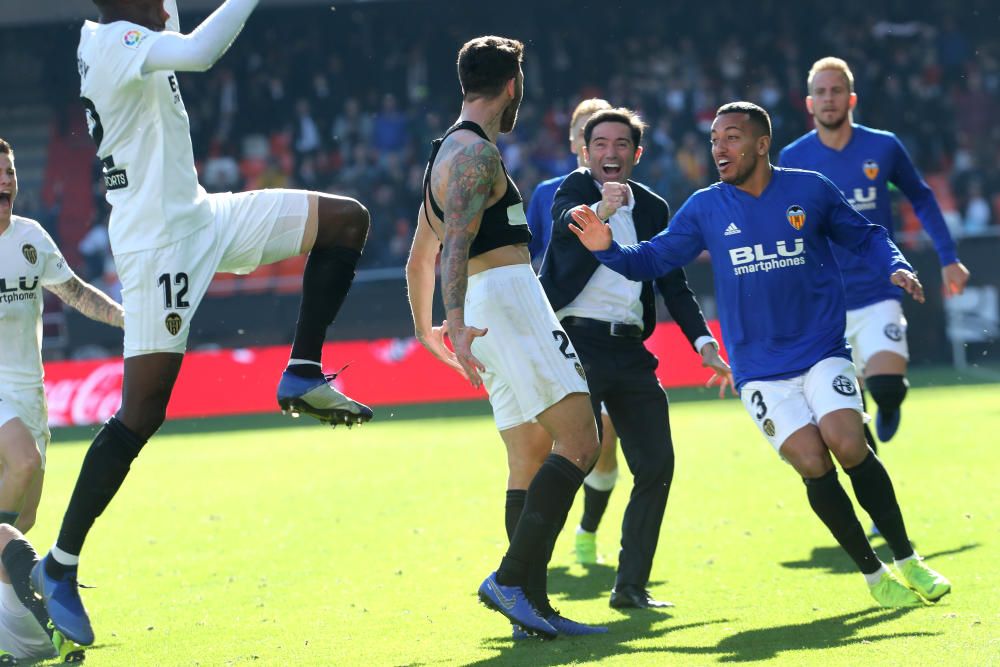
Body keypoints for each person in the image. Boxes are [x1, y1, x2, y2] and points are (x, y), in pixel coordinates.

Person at [33, 0, 373, 646]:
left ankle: (301, 370)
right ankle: (60, 562)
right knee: (142, 413)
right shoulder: (115, 41)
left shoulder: (118, 31)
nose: (169, 5)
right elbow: (200, 50)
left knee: (347, 220)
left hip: (200, 216)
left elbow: (177, 35)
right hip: (157, 242)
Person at [569, 102, 952, 608]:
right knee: (813, 462)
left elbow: (868, 236)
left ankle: (909, 561)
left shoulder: (809, 190)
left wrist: (896, 266)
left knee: (847, 441)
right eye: (714, 140)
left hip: (820, 350)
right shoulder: (706, 207)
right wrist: (606, 249)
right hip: (759, 371)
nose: (719, 149)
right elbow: (654, 259)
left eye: (731, 138)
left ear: (761, 143)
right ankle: (875, 575)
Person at [406, 36, 603, 638]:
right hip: (508, 306)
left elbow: (421, 255)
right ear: (513, 84)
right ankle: (513, 580)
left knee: (529, 456)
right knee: (581, 441)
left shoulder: (446, 151)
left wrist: (426, 329)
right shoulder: (476, 156)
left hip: (487, 311)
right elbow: (456, 246)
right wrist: (457, 323)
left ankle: (531, 610)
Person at [543, 107, 732, 609]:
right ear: (586, 153)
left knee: (657, 464)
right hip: (574, 344)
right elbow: (567, 227)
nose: (610, 152)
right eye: (600, 143)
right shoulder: (572, 191)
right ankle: (527, 577)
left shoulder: (652, 206)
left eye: (621, 144)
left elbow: (673, 281)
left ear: (636, 153)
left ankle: (630, 587)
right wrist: (600, 211)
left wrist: (704, 342)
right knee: (571, 458)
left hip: (629, 349)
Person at [779, 57, 970, 448]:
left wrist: (948, 257)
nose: (829, 99)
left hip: (878, 288)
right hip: (825, 300)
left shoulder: (882, 146)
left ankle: (888, 400)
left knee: (885, 387)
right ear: (809, 103)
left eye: (836, 91)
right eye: (821, 92)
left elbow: (921, 197)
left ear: (851, 99)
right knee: (845, 413)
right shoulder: (792, 159)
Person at [0, 137, 124, 538]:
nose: (5, 181)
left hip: (28, 391)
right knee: (23, 462)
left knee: (25, 519)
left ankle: (9, 603)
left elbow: (76, 292)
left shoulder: (31, 237)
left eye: (10, 172)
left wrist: (127, 319)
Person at [526, 97, 622, 566]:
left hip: (609, 333)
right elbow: (532, 255)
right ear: (575, 143)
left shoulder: (634, 195)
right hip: (557, 325)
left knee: (604, 443)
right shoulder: (549, 193)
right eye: (587, 133)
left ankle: (588, 529)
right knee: (549, 439)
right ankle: (534, 543)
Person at [0, 524, 85, 663]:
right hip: (21, 627)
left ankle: (56, 626)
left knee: (3, 533)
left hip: (23, 620)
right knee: (3, 532)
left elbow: (26, 517)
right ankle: (57, 627)